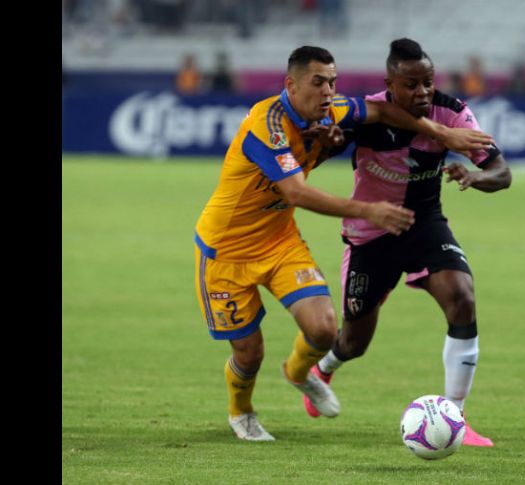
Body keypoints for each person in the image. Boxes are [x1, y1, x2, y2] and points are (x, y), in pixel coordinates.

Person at [193, 45, 495, 442]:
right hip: (226, 250)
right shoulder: (267, 126)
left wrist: (441, 132)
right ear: (291, 85)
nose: (328, 92)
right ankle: (242, 412)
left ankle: (299, 374)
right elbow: (297, 193)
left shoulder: (331, 111)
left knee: (323, 329)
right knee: (250, 353)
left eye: (332, 82)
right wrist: (369, 211)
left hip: (279, 241)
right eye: (318, 82)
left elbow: (382, 111)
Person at [301, 38, 511, 447]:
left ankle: (456, 417)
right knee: (354, 342)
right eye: (411, 85)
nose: (422, 92)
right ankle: (322, 369)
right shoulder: (366, 113)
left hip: (423, 225)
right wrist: (329, 142)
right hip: (370, 233)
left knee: (462, 297)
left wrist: (476, 177)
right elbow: (326, 146)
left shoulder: (453, 113)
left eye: (428, 82)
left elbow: (501, 172)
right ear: (390, 85)